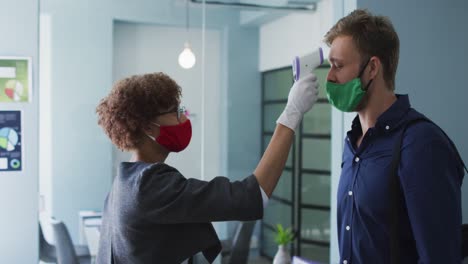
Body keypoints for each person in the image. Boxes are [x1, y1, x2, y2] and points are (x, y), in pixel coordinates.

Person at [95, 72, 319, 263]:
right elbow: (252, 195)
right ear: (147, 128)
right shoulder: (150, 185)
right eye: (175, 111)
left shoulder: (123, 183)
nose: (184, 117)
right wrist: (292, 113)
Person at [324, 9, 465, 263]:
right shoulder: (352, 145)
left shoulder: (422, 144)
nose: (330, 77)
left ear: (372, 68)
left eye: (338, 66)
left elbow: (440, 256)